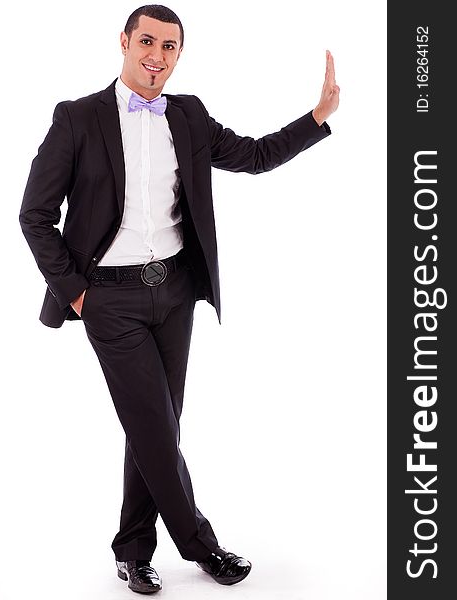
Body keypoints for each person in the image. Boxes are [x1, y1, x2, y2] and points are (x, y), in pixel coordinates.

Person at [19, 3, 339, 594]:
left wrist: (317, 117)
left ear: (178, 56)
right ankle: (201, 545)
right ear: (123, 41)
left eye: (170, 47)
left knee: (157, 427)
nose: (156, 56)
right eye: (147, 41)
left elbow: (254, 155)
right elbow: (34, 215)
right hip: (108, 299)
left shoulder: (188, 116)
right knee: (157, 431)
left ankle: (134, 549)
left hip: (174, 292)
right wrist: (79, 296)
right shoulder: (77, 118)